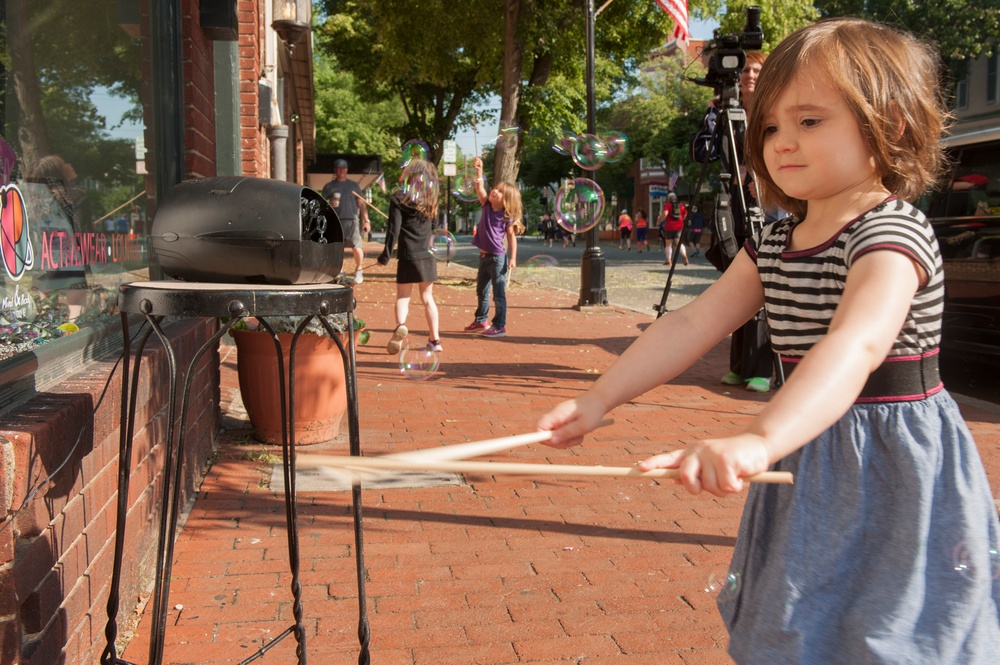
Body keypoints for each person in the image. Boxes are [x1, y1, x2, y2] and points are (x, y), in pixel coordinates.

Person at [538, 18, 1000, 664]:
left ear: (889, 125)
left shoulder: (891, 232)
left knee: (893, 629)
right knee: (800, 622)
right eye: (771, 126)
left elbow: (857, 345)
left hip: (891, 463)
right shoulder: (778, 240)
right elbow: (692, 322)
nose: (781, 142)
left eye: (810, 121)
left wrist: (760, 436)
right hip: (806, 451)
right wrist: (600, 397)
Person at [693, 50, 775, 393]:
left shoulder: (775, 108)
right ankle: (740, 364)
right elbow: (701, 154)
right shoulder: (724, 110)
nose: (749, 75)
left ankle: (762, 367)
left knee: (766, 280)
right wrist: (711, 118)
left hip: (769, 201)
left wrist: (761, 175)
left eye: (756, 69)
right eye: (745, 70)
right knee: (739, 277)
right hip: (733, 203)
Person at [377, 159, 442, 353]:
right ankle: (435, 340)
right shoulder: (432, 198)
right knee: (428, 298)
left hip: (407, 254)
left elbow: (393, 231)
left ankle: (400, 326)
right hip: (427, 254)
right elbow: (434, 227)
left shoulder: (399, 197)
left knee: (403, 296)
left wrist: (385, 256)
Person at [464, 156, 522, 338]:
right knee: (481, 290)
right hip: (484, 257)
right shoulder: (486, 206)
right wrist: (479, 172)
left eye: (499, 191)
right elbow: (479, 188)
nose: (494, 191)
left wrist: (512, 258)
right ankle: (481, 319)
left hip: (497, 258)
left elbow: (512, 238)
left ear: (507, 201)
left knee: (498, 293)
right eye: (495, 188)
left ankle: (499, 325)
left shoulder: (507, 217)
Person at [321, 158, 371, 283]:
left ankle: (359, 270)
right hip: (335, 220)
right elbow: (321, 203)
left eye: (343, 168)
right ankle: (340, 271)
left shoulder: (353, 185)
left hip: (352, 219)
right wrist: (329, 204)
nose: (341, 170)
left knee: (356, 246)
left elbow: (361, 204)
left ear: (346, 170)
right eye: (338, 168)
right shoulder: (329, 186)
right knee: (338, 247)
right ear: (335, 170)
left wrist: (367, 220)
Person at [659, 193, 688, 266]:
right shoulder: (680, 205)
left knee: (668, 244)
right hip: (679, 226)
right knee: (679, 243)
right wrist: (683, 219)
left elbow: (665, 213)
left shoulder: (667, 205)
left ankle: (668, 260)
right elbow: (685, 214)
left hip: (669, 227)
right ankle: (684, 255)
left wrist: (660, 220)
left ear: (668, 198)